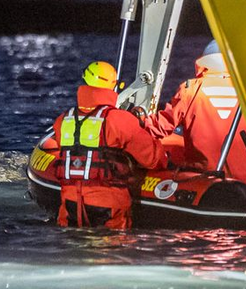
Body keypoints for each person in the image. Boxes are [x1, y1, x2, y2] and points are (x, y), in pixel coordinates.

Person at [54, 60, 166, 230]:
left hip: (70, 205)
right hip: (108, 205)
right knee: (111, 253)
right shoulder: (120, 120)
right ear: (113, 87)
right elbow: (152, 159)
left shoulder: (63, 120)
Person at [148, 40, 246, 185]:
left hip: (201, 179)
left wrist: (138, 123)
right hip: (243, 182)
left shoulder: (190, 90)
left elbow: (160, 127)